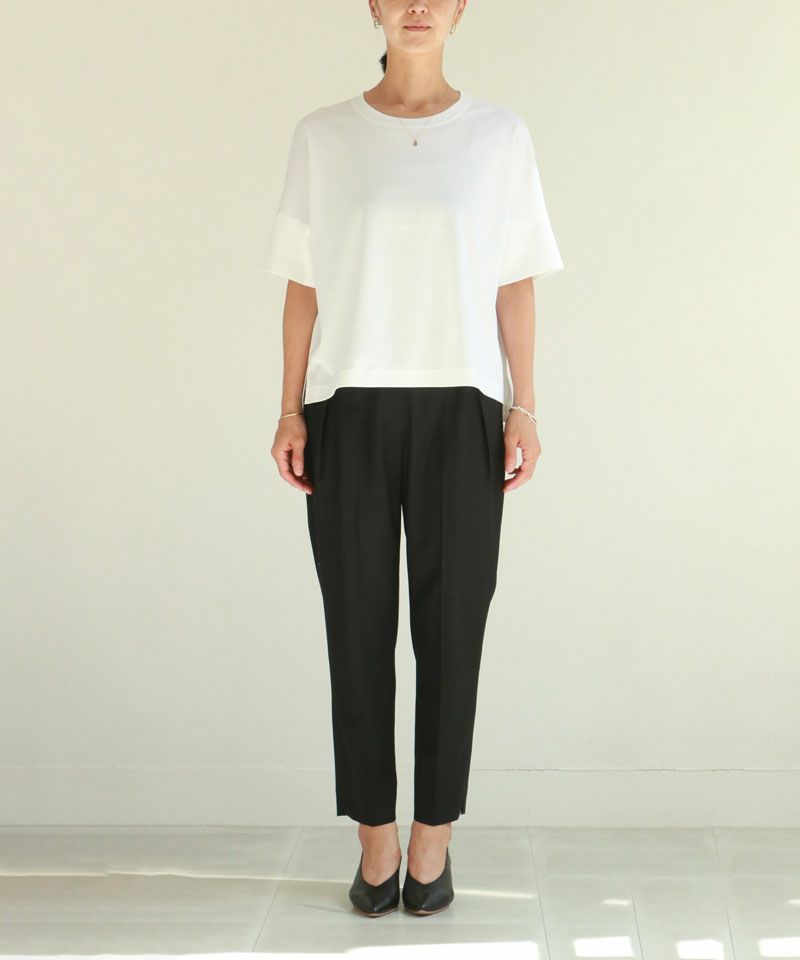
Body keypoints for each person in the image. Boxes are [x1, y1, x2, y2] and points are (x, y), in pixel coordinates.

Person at [263, 0, 564, 917]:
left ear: (462, 8)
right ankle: (375, 835)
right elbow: (304, 283)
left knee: (452, 627)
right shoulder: (324, 136)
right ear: (374, 7)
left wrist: (523, 404)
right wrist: (289, 408)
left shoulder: (499, 136)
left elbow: (514, 280)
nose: (419, 7)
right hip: (347, 406)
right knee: (356, 627)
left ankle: (434, 834)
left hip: (462, 406)